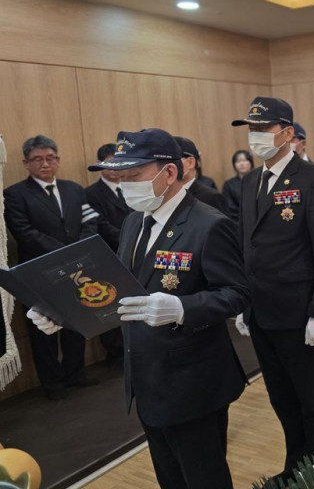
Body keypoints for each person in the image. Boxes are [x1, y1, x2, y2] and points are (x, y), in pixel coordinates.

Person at [43, 128, 249, 489]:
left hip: (192, 382)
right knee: (169, 476)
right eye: (119, 177)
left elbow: (237, 294)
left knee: (204, 478)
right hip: (146, 376)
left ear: (169, 172)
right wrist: (62, 312)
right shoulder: (134, 220)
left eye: (133, 175)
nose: (124, 185)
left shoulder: (209, 224)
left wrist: (181, 308)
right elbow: (120, 289)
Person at [233, 97, 314, 481]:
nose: (256, 136)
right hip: (261, 311)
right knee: (281, 397)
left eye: (264, 128)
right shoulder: (250, 181)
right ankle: (296, 467)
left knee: (310, 400)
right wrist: (243, 303)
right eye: (252, 129)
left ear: (288, 132)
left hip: (299, 313)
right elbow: (246, 246)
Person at [4, 135, 99, 400]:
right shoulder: (14, 194)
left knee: (75, 322)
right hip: (38, 272)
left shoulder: (74, 189)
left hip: (76, 269)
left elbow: (90, 222)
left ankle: (75, 373)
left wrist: (79, 250)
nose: (45, 164)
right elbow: (24, 232)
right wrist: (65, 253)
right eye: (37, 159)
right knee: (43, 330)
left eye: (50, 158)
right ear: (26, 163)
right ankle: (53, 383)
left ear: (57, 160)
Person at [85, 142, 132, 368]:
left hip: (135, 253)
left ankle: (134, 348)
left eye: (118, 163)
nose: (114, 168)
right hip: (109, 254)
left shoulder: (132, 187)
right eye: (109, 163)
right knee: (110, 303)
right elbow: (100, 224)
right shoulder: (90, 193)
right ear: (100, 165)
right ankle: (116, 354)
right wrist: (130, 238)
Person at [174, 136, 227, 214]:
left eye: (173, 160)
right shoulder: (167, 196)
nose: (168, 166)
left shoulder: (211, 197)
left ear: (190, 162)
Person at [221, 149, 254, 222]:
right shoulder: (228, 184)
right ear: (234, 165)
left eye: (244, 160)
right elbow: (229, 208)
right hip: (238, 222)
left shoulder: (259, 180)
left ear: (251, 163)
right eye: (238, 161)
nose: (241, 164)